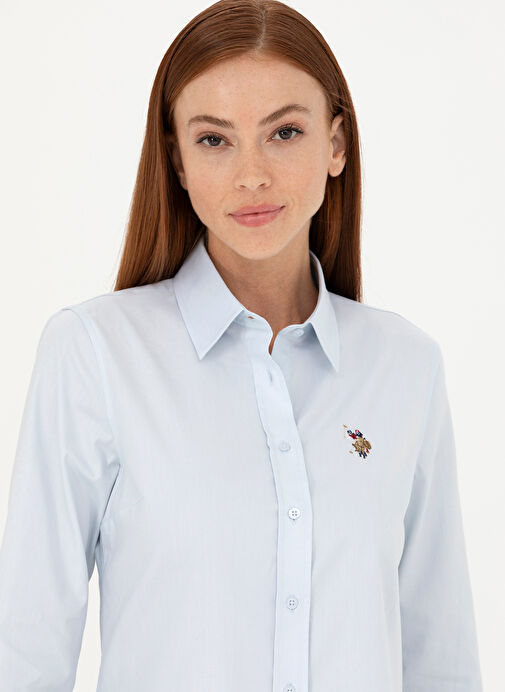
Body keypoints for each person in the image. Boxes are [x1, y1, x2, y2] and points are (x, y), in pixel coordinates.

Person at [0, 1, 483, 690]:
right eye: (214, 139)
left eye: (284, 132)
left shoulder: (406, 366)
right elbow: (25, 650)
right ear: (176, 159)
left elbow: (441, 658)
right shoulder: (94, 354)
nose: (251, 175)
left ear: (336, 144)